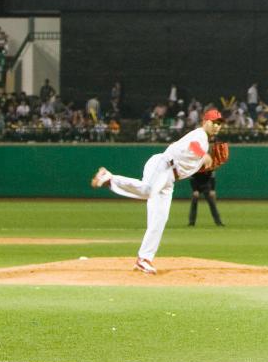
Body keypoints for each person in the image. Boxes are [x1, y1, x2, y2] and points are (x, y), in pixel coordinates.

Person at [90, 108, 225, 274]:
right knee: (148, 190)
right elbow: (193, 146)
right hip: (162, 166)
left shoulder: (205, 144)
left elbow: (189, 165)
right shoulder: (200, 135)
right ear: (205, 122)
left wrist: (208, 163)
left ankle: (144, 259)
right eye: (214, 122)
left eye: (219, 124)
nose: (217, 126)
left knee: (159, 218)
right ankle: (109, 178)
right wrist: (204, 156)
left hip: (170, 179)